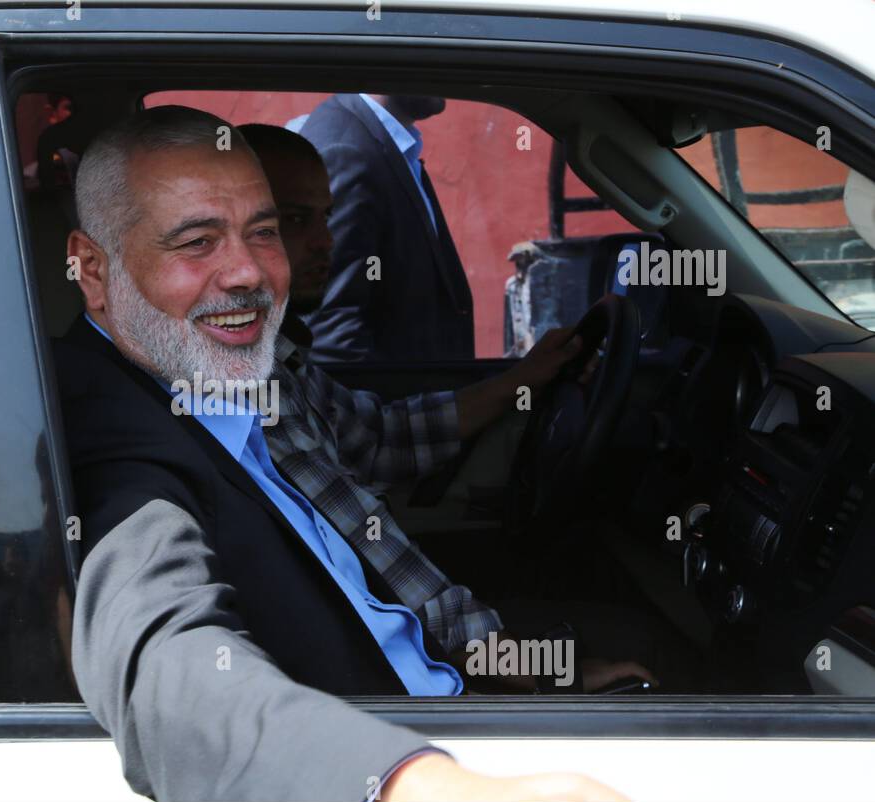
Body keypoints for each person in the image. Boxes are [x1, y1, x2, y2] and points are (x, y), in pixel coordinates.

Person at [56, 104, 629, 802]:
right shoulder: (106, 431)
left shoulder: (242, 374)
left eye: (263, 232)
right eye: (197, 242)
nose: (247, 272)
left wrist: (524, 665)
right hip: (396, 746)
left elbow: (381, 443)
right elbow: (165, 663)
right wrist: (410, 788)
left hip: (450, 689)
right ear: (91, 269)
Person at [238, 123, 692, 693]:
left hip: (372, 642)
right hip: (375, 675)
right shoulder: (243, 386)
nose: (327, 241)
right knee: (643, 644)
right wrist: (540, 670)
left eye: (327, 217)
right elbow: (373, 551)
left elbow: (379, 441)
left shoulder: (279, 358)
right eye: (296, 220)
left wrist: (520, 381)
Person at [299, 94, 474, 362]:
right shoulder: (347, 152)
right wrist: (387, 405)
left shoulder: (379, 141)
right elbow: (331, 331)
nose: (448, 65)